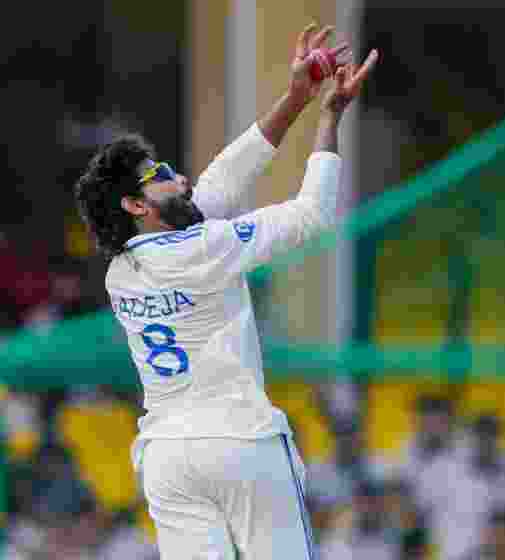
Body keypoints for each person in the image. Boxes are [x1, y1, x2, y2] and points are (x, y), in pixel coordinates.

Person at [73, 22, 379, 559]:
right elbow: (311, 214)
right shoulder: (203, 247)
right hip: (241, 442)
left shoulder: (121, 271)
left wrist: (294, 99)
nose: (182, 179)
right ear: (136, 205)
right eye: (162, 174)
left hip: (169, 456)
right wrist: (328, 117)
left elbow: (221, 181)